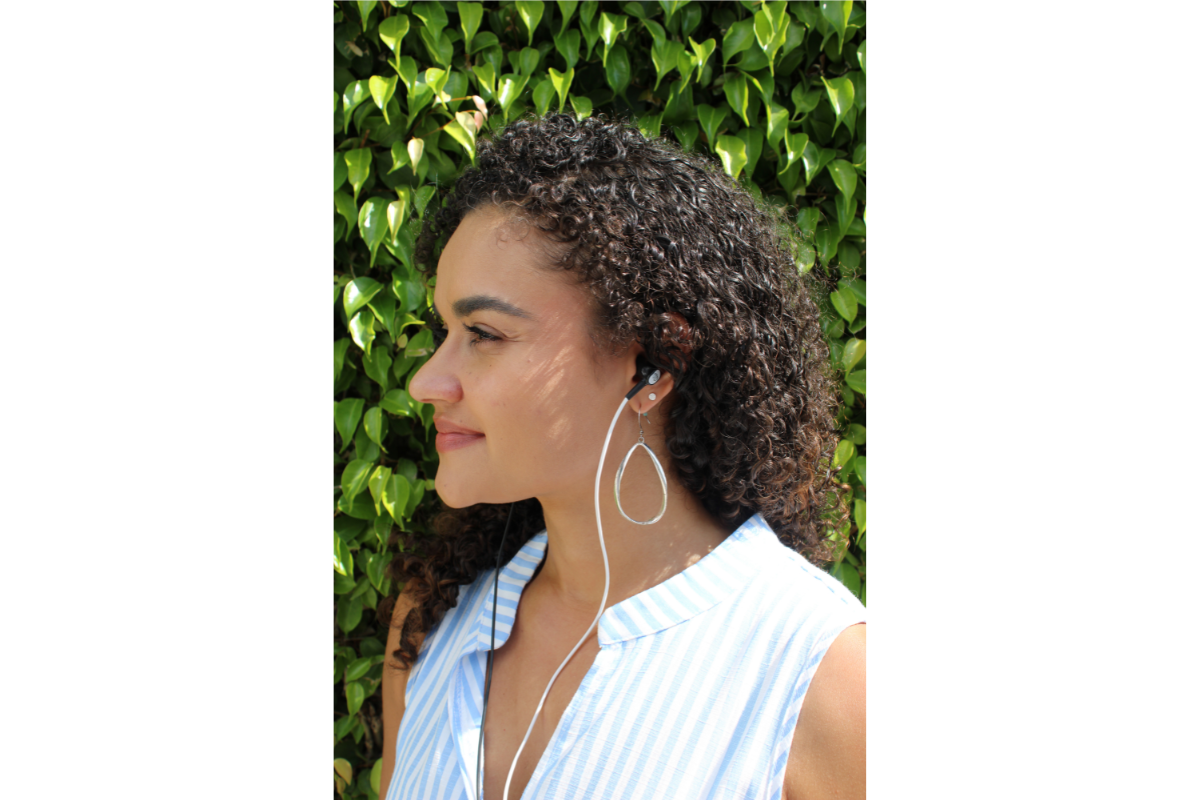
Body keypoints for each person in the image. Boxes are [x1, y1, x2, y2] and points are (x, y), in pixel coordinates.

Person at [380, 112, 865, 800]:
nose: (425, 381)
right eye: (445, 331)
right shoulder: (435, 623)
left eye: (483, 333)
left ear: (652, 366)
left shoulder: (818, 675)